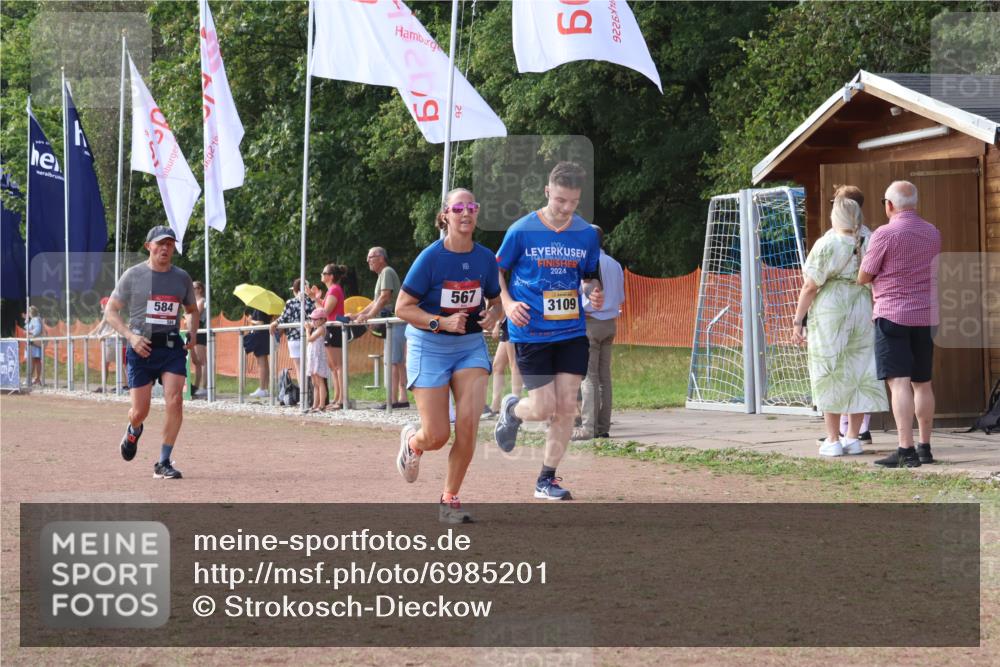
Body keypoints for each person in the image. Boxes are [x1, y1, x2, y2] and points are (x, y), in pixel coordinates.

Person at [493, 161, 604, 500]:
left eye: (572, 202)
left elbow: (589, 277)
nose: (566, 208)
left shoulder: (585, 234)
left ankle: (547, 479)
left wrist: (593, 293)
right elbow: (495, 271)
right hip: (531, 331)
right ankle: (512, 410)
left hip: (571, 331)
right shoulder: (522, 230)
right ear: (547, 192)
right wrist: (509, 304)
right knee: (542, 408)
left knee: (567, 406)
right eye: (559, 201)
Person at [394, 187, 502, 523]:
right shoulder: (430, 258)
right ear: (446, 215)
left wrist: (493, 314)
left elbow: (496, 300)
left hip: (469, 347)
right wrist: (440, 322)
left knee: (468, 428)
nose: (466, 213)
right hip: (430, 346)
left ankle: (449, 499)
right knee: (438, 436)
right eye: (459, 208)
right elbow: (402, 307)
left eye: (471, 207)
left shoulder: (485, 258)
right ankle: (413, 442)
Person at [792, 197, 887, 456]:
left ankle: (832, 439)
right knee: (859, 368)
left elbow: (811, 286)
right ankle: (853, 438)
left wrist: (799, 319)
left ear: (836, 217)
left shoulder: (827, 243)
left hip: (831, 310)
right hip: (862, 305)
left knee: (828, 368)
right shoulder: (870, 239)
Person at [104, 225, 198, 480]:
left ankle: (163, 461)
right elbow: (111, 312)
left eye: (170, 244)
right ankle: (133, 430)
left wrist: (192, 331)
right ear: (149, 246)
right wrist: (131, 336)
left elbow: (191, 309)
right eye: (160, 243)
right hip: (141, 348)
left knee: (175, 400)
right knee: (139, 411)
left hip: (170, 348)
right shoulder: (133, 275)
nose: (165, 248)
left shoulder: (182, 278)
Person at [859, 180, 941, 468]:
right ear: (914, 203)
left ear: (889, 204)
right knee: (923, 383)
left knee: (899, 383)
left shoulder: (884, 233)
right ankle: (925, 447)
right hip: (926, 315)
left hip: (893, 314)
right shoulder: (932, 232)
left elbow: (864, 275)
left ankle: (905, 450)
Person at [573, 224, 625, 441]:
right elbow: (621, 297)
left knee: (588, 377)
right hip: (610, 324)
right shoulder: (615, 264)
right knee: (604, 377)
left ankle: (588, 426)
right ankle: (603, 426)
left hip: (590, 322)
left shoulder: (585, 263)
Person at [349, 247, 408, 409]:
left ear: (381, 258)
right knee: (397, 361)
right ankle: (401, 398)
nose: (368, 260)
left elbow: (384, 297)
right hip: (394, 322)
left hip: (395, 321)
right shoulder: (383, 274)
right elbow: (376, 301)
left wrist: (368, 316)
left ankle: (393, 400)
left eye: (371, 257)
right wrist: (358, 314)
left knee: (394, 361)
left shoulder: (387, 272)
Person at [270, 278, 315, 391]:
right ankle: (313, 394)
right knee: (310, 367)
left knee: (299, 368)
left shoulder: (290, 302)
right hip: (310, 337)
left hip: (294, 339)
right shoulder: (311, 302)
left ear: (295, 290)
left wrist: (275, 322)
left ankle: (303, 394)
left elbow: (283, 318)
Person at [320, 264, 347, 409]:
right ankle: (337, 398)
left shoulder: (334, 289)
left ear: (330, 276)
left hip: (334, 329)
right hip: (330, 328)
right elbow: (324, 311)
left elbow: (325, 312)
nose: (321, 275)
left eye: (324, 273)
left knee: (337, 366)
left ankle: (341, 399)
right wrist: (315, 298)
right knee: (333, 366)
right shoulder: (331, 290)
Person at [487, 318, 522, 418]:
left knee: (514, 365)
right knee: (497, 366)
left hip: (513, 323)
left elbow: (503, 304)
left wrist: (497, 323)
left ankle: (514, 409)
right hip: (506, 324)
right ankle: (495, 407)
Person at [305, 307, 331, 412]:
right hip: (313, 357)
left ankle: (321, 405)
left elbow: (310, 339)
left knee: (320, 381)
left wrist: (307, 330)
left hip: (318, 358)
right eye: (312, 319)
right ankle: (314, 405)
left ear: (322, 320)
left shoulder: (321, 329)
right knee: (314, 382)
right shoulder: (317, 328)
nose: (313, 321)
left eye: (315, 319)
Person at [244, 307, 272, 398]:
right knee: (264, 363)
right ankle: (265, 388)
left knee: (261, 364)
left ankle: (262, 388)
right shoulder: (265, 309)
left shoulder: (259, 309)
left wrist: (251, 320)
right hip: (264, 336)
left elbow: (260, 323)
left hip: (260, 336)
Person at [190, 281, 208, 398]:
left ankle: (205, 387)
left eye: (194, 287)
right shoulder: (192, 302)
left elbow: (196, 314)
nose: (191, 289)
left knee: (202, 361)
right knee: (196, 361)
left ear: (200, 289)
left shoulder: (202, 301)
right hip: (193, 331)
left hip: (200, 331)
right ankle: (196, 386)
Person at [25, 305, 44, 386]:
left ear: (31, 312)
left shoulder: (35, 319)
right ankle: (36, 379)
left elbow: (37, 330)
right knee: (36, 361)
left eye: (28, 312)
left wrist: (30, 334)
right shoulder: (35, 319)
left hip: (34, 343)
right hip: (35, 343)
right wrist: (26, 323)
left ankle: (32, 379)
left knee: (33, 361)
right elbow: (28, 328)